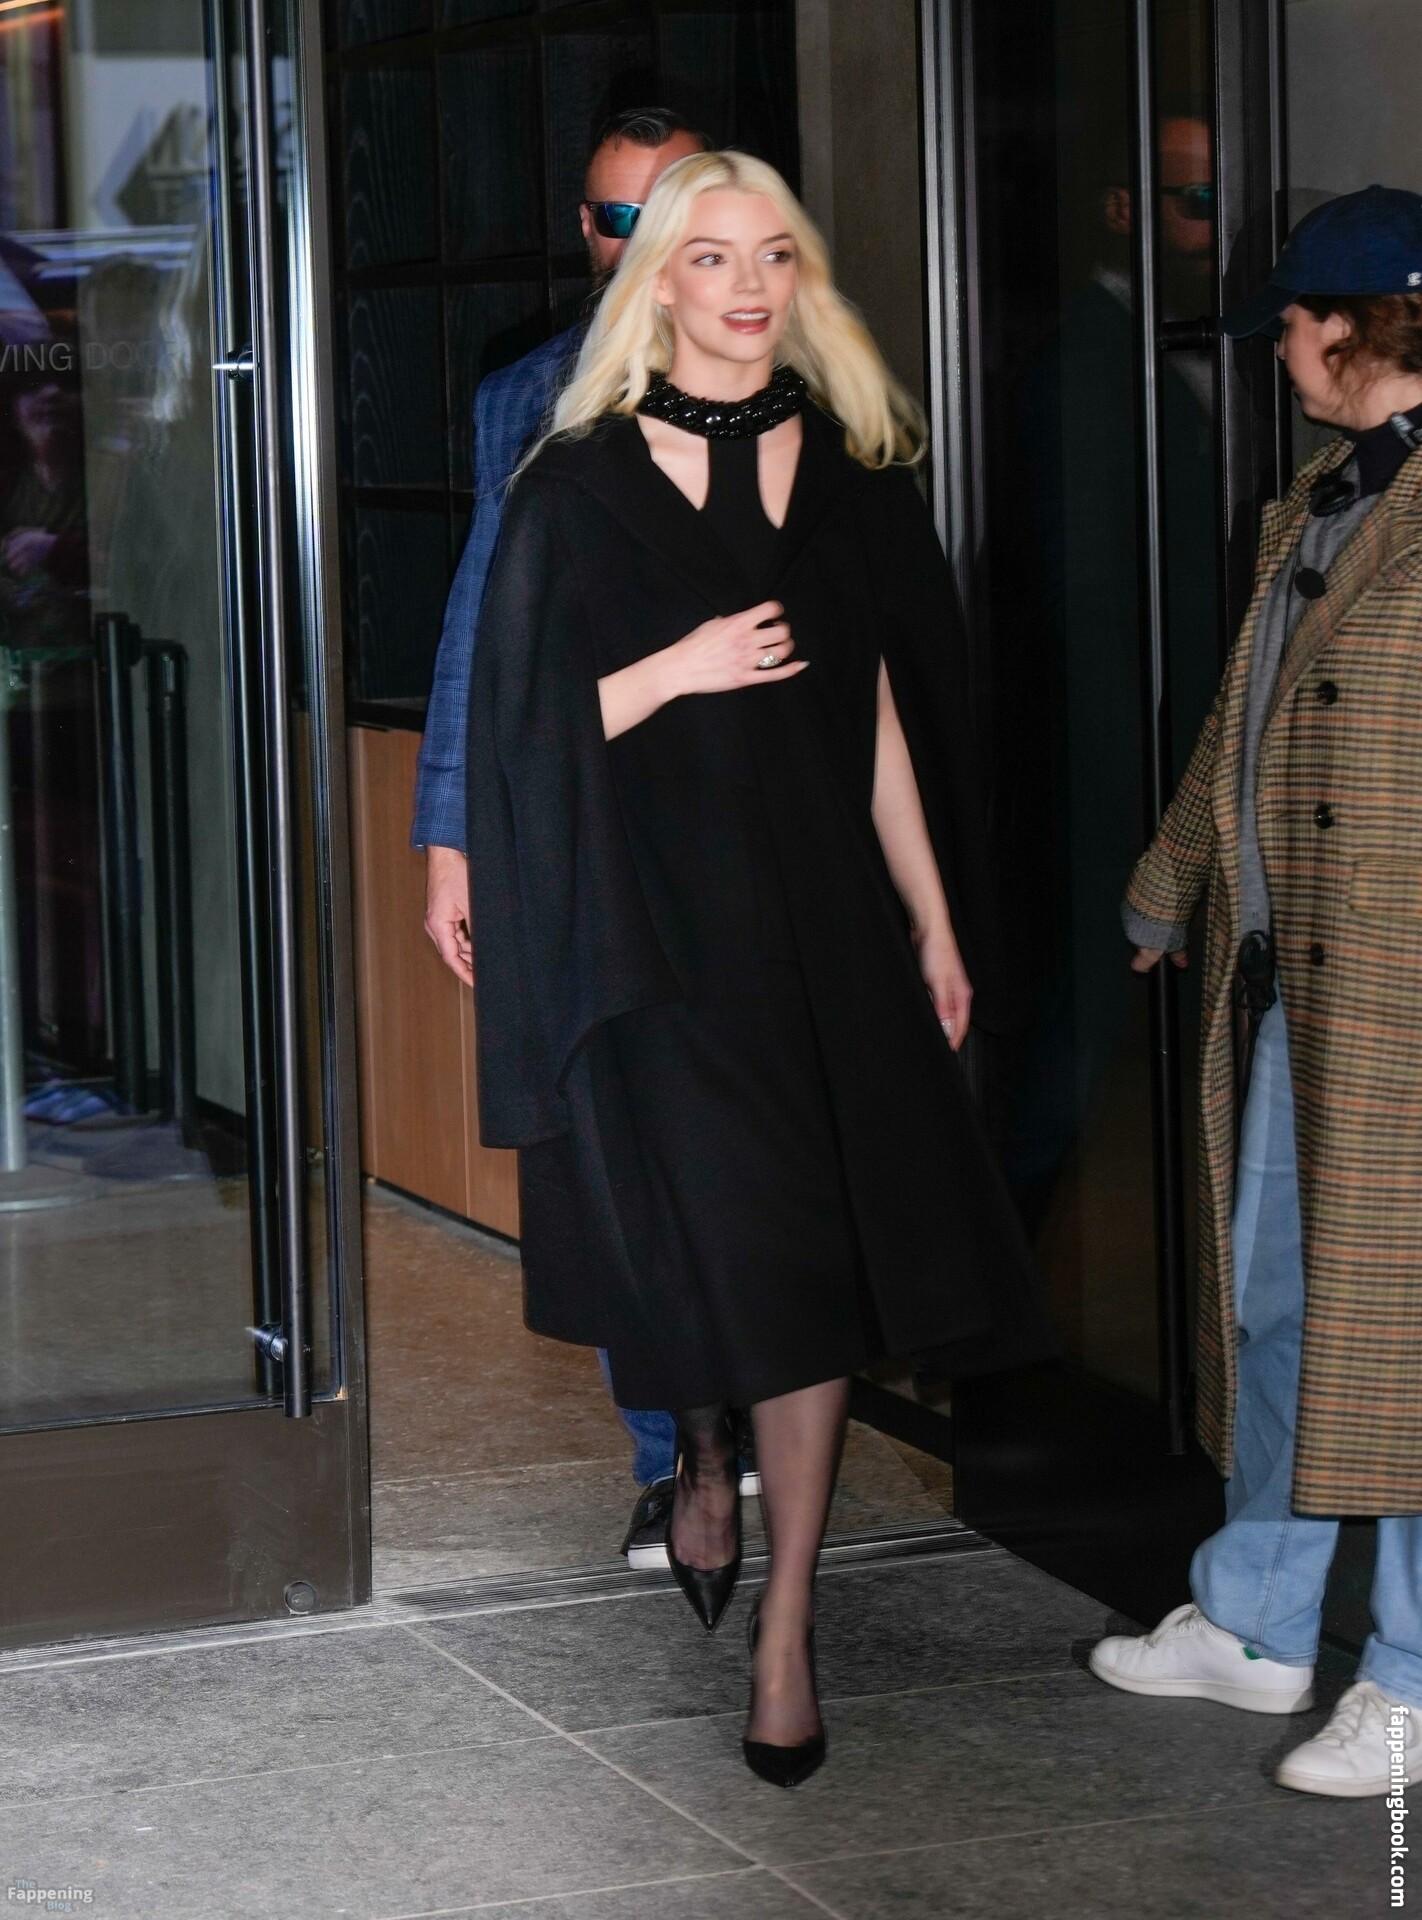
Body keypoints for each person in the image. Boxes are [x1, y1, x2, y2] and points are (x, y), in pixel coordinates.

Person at [466, 149, 1051, 1786]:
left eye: (773, 254)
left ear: (802, 278)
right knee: (721, 1246)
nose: (744, 285)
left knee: (804, 1273)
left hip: (820, 932)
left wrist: (930, 919)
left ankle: (787, 1621)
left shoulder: (852, 477)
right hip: (655, 934)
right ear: (655, 280)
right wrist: (680, 667)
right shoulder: (576, 485)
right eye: (710, 255)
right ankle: (700, 1443)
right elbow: (525, 731)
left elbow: (876, 718)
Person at [1091, 184, 1422, 1799]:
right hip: (1299, 991)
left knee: (1406, 1341)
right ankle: (1255, 1621)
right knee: (1281, 1308)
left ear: (1349, 329)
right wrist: (1170, 884)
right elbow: (1244, 716)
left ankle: (1411, 1683)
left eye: (1288, 323)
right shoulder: (1313, 499)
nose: (1277, 350)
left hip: (1408, 1002)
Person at [412, 107, 708, 1571]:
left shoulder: (792, 381)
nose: (640, 244)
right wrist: (451, 838)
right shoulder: (524, 394)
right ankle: (675, 1456)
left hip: (736, 825)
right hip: (572, 819)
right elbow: (479, 617)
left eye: (670, 210)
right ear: (584, 231)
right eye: (615, 217)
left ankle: (749, 1422)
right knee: (603, 1150)